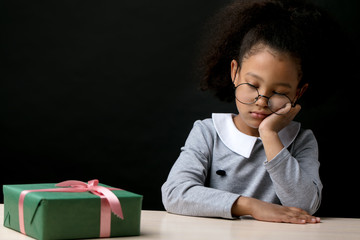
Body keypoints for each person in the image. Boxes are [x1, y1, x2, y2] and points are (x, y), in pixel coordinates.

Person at [161, 0, 327, 224]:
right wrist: (251, 206)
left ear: (298, 93)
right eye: (253, 85)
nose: (262, 101)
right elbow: (174, 193)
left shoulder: (301, 141)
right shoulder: (208, 133)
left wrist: (269, 135)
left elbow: (305, 205)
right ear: (235, 73)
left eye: (278, 92)